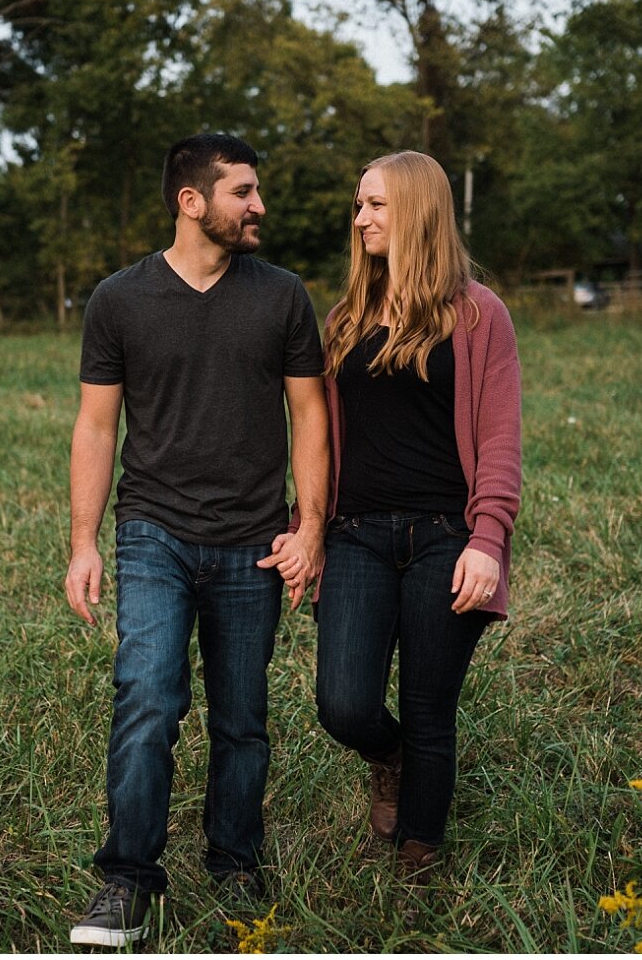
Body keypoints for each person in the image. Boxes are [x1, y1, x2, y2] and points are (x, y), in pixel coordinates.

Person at [64, 133, 329, 946]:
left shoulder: (282, 296)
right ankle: (126, 881)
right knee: (148, 697)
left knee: (243, 718)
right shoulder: (119, 299)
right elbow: (97, 427)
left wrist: (309, 526)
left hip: (254, 537)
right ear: (191, 201)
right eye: (242, 192)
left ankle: (235, 864)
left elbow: (311, 413)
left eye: (256, 192)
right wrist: (83, 542)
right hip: (156, 533)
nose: (259, 206)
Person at [312, 150, 521, 884]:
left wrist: (487, 539)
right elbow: (323, 441)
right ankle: (387, 757)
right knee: (342, 703)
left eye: (376, 205)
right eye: (358, 205)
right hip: (358, 537)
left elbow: (499, 438)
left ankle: (419, 856)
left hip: (446, 539)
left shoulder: (477, 315)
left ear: (418, 212)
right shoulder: (344, 320)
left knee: (431, 708)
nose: (361, 218)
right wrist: (309, 525)